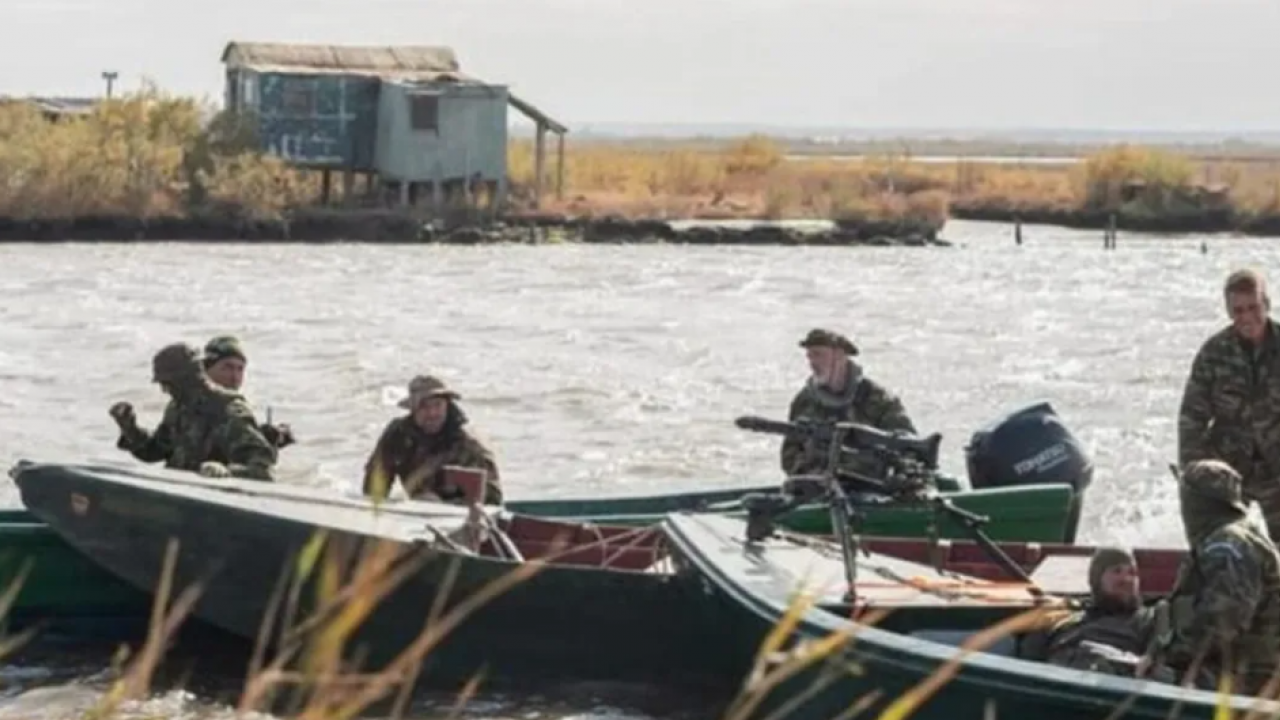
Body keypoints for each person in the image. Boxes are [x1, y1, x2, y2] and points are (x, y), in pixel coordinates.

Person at [1157, 459, 1280, 695]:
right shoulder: (1235, 535)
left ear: (1195, 503)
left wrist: (1171, 655)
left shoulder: (1227, 546)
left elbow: (1221, 625)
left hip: (1249, 679)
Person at [1177, 268, 1280, 541]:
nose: (1246, 317)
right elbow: (1192, 417)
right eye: (1238, 310)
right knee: (1223, 547)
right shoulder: (1214, 353)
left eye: (1253, 307)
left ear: (1267, 304)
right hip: (1230, 469)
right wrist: (1193, 475)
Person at [108, 342, 278, 481]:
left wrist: (225, 472)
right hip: (178, 495)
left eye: (168, 384)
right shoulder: (177, 408)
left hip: (213, 505)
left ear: (188, 379)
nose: (165, 390)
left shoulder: (228, 410)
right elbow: (155, 451)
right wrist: (129, 428)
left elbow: (262, 468)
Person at [1019, 547, 1177, 682]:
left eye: (1132, 572)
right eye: (1117, 571)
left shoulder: (1151, 616)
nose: (1127, 579)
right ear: (1096, 579)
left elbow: (1158, 661)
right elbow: (1026, 661)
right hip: (1050, 687)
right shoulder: (1067, 614)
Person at [780, 328, 916, 476]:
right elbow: (789, 456)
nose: (812, 363)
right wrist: (810, 464)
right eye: (809, 356)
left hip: (870, 485)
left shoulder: (877, 398)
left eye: (819, 355)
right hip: (822, 485)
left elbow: (908, 446)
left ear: (839, 356)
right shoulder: (805, 401)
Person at [361, 374, 502, 505]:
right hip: (413, 515)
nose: (432, 413)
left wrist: (442, 506)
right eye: (424, 406)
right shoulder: (398, 435)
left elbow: (493, 500)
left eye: (438, 405)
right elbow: (374, 487)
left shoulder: (470, 444)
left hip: (459, 521)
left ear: (447, 405)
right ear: (413, 409)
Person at [202, 335, 296, 450]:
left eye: (240, 369)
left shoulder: (232, 407)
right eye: (227, 367)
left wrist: (269, 436)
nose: (235, 377)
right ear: (206, 369)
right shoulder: (198, 404)